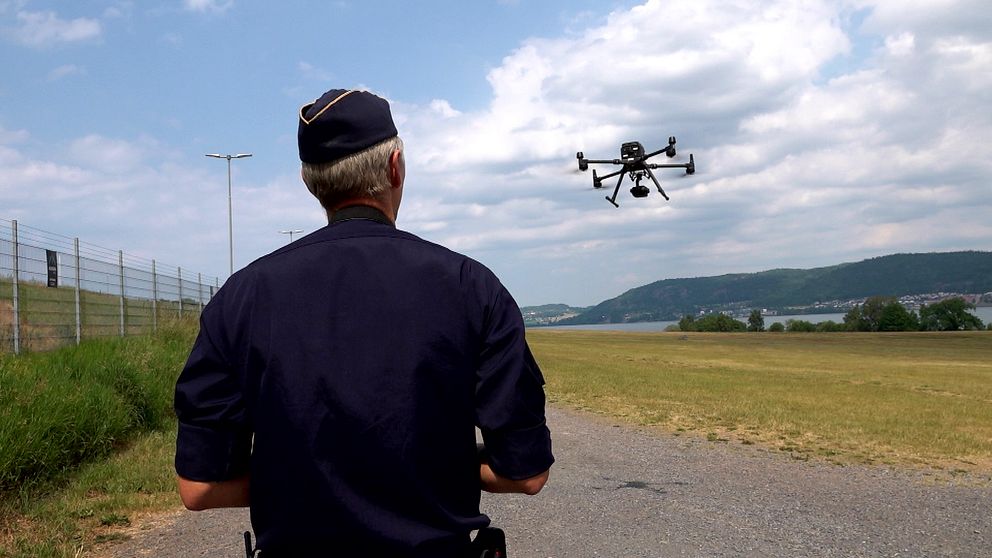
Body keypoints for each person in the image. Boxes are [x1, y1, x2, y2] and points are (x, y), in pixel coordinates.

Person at [174, 88, 554, 557]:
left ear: (310, 181)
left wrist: (315, 477)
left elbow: (200, 488)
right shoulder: (471, 287)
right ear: (395, 166)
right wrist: (421, 471)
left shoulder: (241, 298)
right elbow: (527, 473)